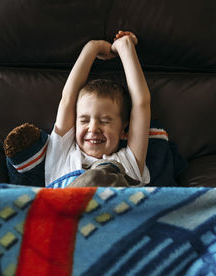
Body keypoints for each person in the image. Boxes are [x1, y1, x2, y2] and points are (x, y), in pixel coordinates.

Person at [45, 30, 151, 186]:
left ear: (124, 131)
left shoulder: (128, 161)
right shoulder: (62, 153)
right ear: (74, 123)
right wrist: (92, 48)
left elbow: (141, 103)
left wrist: (126, 47)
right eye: (84, 120)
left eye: (105, 121)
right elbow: (68, 97)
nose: (93, 128)